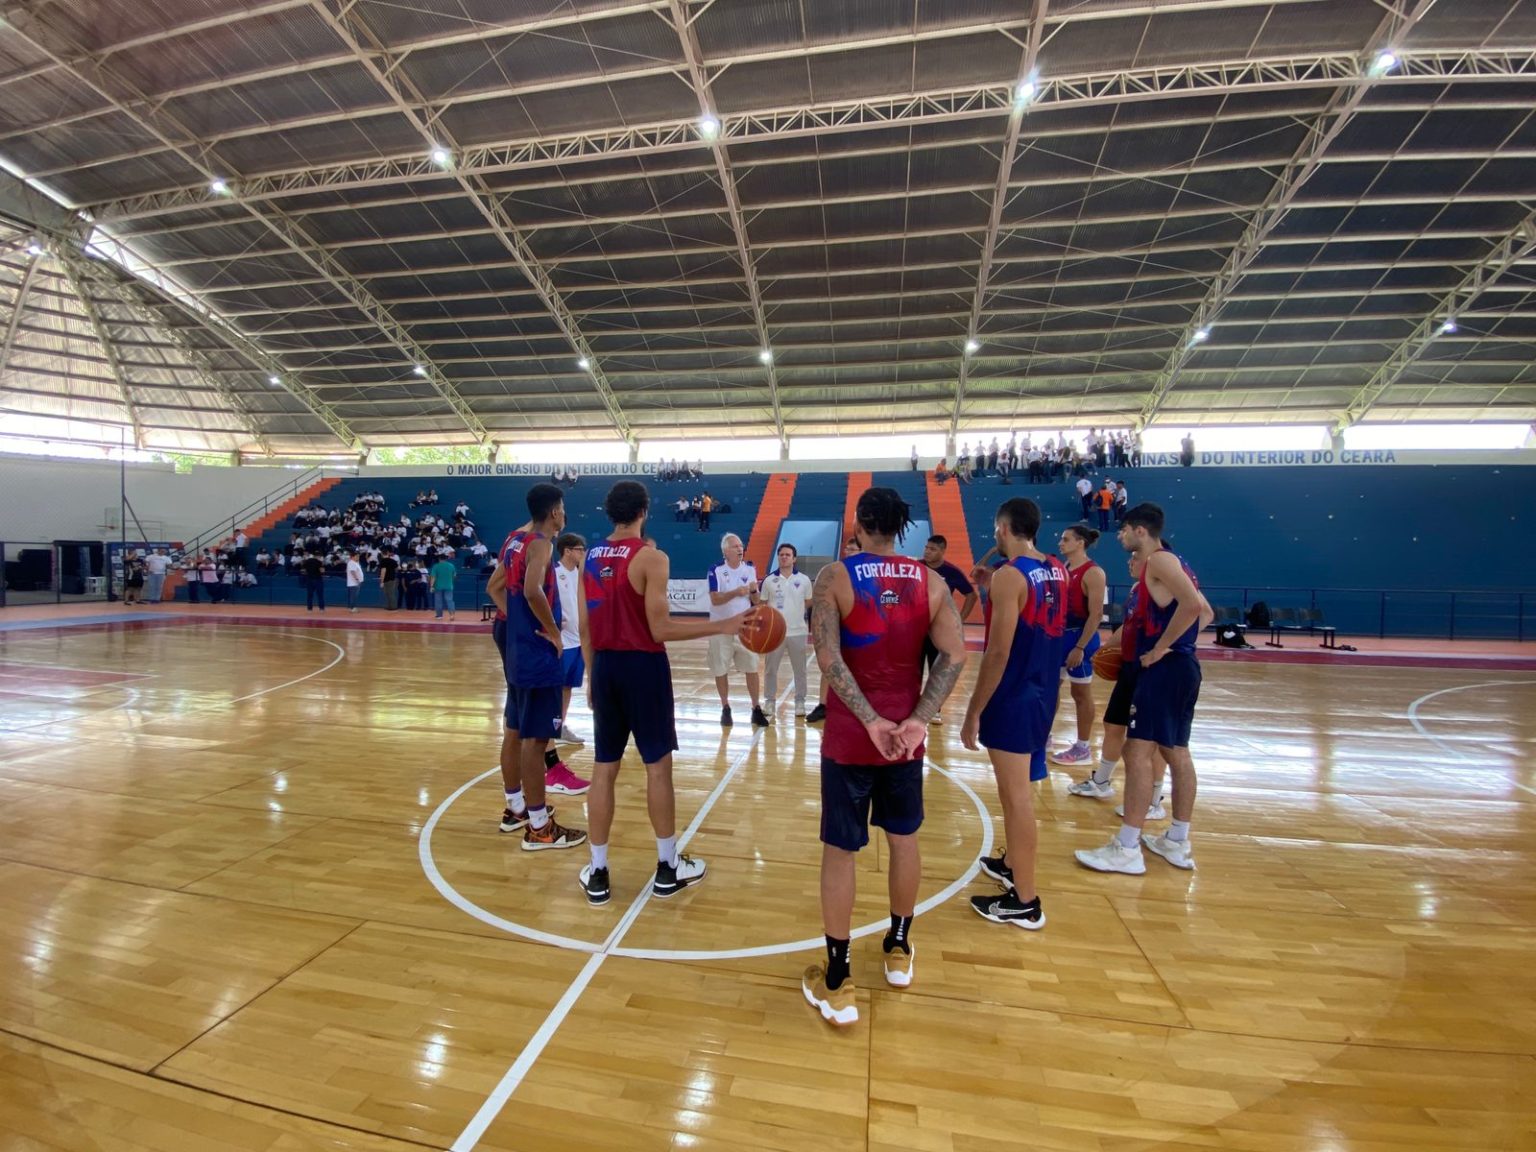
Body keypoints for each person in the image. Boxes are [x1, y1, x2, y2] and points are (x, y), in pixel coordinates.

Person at [802, 488, 967, 1027]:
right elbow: (955, 653)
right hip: (906, 742)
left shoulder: (837, 576)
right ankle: (897, 949)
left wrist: (870, 720)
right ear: (902, 528)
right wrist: (917, 719)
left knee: (840, 853)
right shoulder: (933, 581)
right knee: (904, 841)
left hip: (854, 739)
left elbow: (827, 656)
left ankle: (836, 978)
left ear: (858, 521)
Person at [578, 481, 745, 906]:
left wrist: (592, 675)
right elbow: (660, 630)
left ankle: (598, 872)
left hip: (608, 668)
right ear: (644, 512)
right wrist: (721, 625)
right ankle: (667, 868)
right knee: (657, 769)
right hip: (643, 668)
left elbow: (584, 627)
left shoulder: (590, 558)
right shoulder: (651, 557)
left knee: (603, 769)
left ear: (610, 512)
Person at [1076, 504, 1206, 875]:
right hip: (1178, 669)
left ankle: (1127, 847)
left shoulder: (1160, 562)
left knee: (1137, 753)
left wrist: (1163, 646)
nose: (1120, 536)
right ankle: (1177, 840)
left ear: (1141, 531)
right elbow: (1203, 609)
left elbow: (1195, 606)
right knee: (1175, 752)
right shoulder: (1172, 564)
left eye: (1124, 530)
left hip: (1166, 668)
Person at [961, 498, 1067, 930]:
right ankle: (1014, 867)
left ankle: (1026, 901)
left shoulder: (1010, 575)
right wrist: (992, 590)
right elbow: (1032, 618)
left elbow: (999, 650)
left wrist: (972, 711)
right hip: (1043, 693)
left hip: (1014, 696)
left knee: (1016, 799)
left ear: (1003, 529)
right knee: (1018, 794)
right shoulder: (1056, 569)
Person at [486, 483, 586, 851]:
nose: (564, 514)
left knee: (513, 728)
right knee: (534, 738)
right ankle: (540, 827)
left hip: (516, 648)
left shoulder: (515, 539)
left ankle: (516, 810)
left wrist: (520, 626)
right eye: (562, 508)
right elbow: (531, 590)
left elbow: (493, 589)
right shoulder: (541, 544)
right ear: (555, 511)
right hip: (536, 654)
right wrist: (554, 633)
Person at [1066, 552, 1171, 820]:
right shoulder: (1138, 589)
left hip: (1155, 670)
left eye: (1136, 558)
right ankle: (1101, 782)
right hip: (1130, 666)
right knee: (1113, 725)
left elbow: (1198, 612)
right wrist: (1106, 648)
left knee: (1151, 739)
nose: (1129, 562)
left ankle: (1155, 798)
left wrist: (1163, 649)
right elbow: (1128, 625)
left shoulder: (1169, 589)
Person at [1049, 525, 1105, 767]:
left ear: (1080, 542)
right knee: (1050, 689)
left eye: (1065, 539)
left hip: (1080, 638)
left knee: (1080, 693)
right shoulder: (1061, 569)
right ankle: (1045, 737)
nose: (1060, 543)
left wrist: (1080, 647)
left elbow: (1096, 615)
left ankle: (1083, 747)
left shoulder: (1093, 572)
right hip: (1059, 637)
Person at [707, 533, 766, 727]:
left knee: (752, 667)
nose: (740, 549)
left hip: (744, 628)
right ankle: (725, 707)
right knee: (720, 668)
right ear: (725, 551)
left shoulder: (749, 569)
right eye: (735, 546)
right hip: (720, 628)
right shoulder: (716, 570)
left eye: (741, 545)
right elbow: (715, 599)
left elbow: (756, 600)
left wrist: (754, 591)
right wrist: (735, 592)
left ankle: (756, 708)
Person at [919, 535, 976, 723]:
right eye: (926, 547)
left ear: (943, 551)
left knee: (937, 670)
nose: (927, 551)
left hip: (938, 630)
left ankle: (935, 709)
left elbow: (971, 594)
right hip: (916, 629)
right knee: (912, 670)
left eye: (932, 549)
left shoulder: (951, 572)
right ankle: (910, 706)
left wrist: (959, 620)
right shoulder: (916, 568)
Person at [806, 538, 862, 726]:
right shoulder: (836, 571)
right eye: (847, 548)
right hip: (835, 625)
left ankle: (855, 707)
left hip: (858, 628)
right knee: (830, 666)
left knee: (858, 667)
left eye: (853, 549)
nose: (848, 551)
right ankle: (823, 704)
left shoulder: (864, 574)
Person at [760, 543, 814, 719]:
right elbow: (763, 606)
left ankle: (800, 702)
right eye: (781, 554)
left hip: (798, 632)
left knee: (800, 670)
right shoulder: (769, 581)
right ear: (778, 557)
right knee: (770, 669)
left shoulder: (804, 580)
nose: (784, 557)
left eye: (788, 555)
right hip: (775, 633)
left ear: (794, 558)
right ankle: (769, 701)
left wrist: (795, 614)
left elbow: (808, 602)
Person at [430, 554, 457, 619]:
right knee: (449, 600)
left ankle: (439, 615)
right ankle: (452, 615)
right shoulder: (451, 566)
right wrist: (451, 582)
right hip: (449, 585)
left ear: (439, 559)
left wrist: (431, 586)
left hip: (438, 586)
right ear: (446, 559)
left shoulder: (436, 566)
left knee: (438, 601)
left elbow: (433, 577)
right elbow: (454, 576)